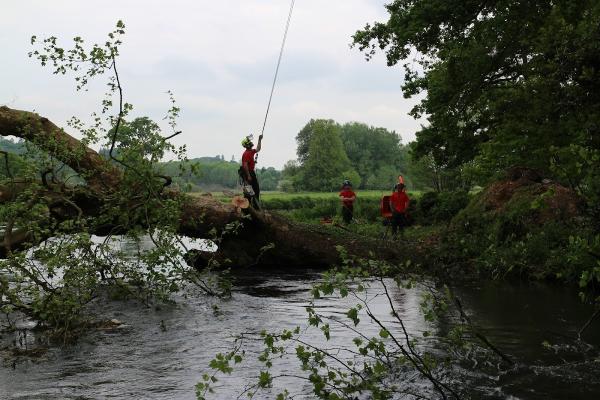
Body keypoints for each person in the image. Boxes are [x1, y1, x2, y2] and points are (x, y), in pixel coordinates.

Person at [240, 134, 263, 207]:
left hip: (250, 173)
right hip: (248, 174)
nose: (251, 143)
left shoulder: (251, 151)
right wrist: (248, 176)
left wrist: (259, 140)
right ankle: (248, 208)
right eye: (249, 142)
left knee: (256, 190)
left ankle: (255, 206)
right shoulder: (246, 154)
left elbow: (258, 149)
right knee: (250, 192)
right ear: (247, 145)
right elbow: (245, 165)